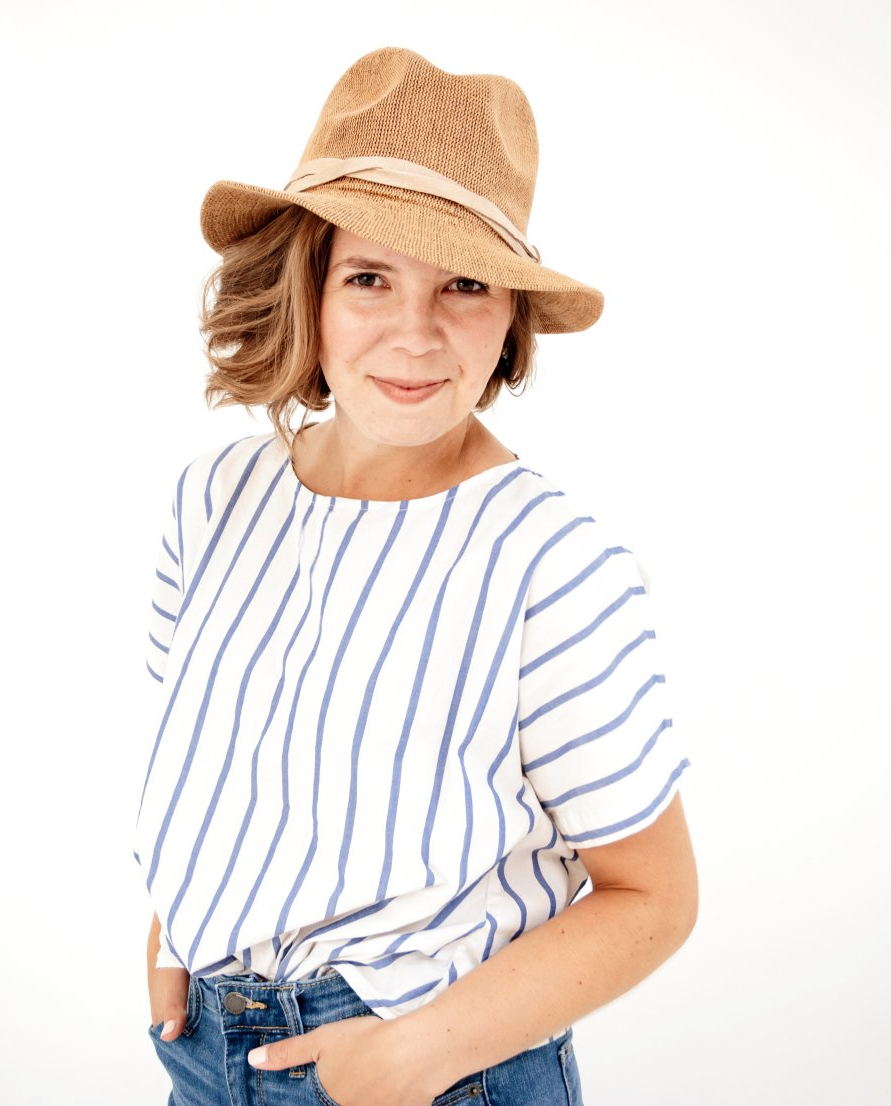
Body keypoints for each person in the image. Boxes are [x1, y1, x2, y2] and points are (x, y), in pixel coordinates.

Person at [136, 47, 697, 1106]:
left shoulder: (547, 561)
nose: (417, 332)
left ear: (511, 318)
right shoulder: (212, 501)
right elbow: (216, 762)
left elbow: (655, 895)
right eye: (369, 276)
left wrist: (416, 1051)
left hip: (432, 1070)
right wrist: (176, 925)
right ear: (307, 282)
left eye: (465, 284)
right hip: (206, 1057)